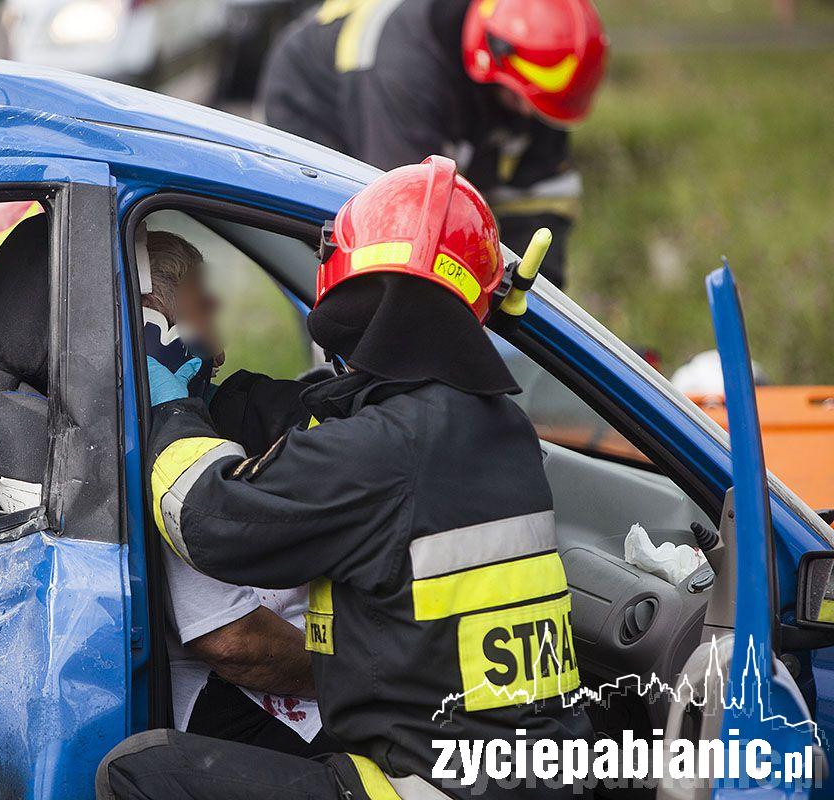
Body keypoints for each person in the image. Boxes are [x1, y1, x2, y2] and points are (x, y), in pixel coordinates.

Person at [98, 156, 590, 800]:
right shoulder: (492, 429)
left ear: (359, 287)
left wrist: (168, 407)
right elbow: (332, 416)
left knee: (140, 775)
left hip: (431, 787)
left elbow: (208, 517)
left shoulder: (387, 450)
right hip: (520, 776)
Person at [141, 229, 340, 755]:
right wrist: (363, 682)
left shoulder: (180, 430)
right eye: (203, 307)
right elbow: (233, 641)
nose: (222, 350)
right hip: (257, 702)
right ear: (154, 323)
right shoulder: (163, 451)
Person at [258, 0, 607, 287]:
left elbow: (540, 197)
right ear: (489, 57)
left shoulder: (533, 72)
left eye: (539, 107)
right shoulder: (409, 70)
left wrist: (533, 309)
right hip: (315, 106)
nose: (528, 116)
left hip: (431, 92)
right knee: (350, 268)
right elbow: (404, 217)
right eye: (519, 101)